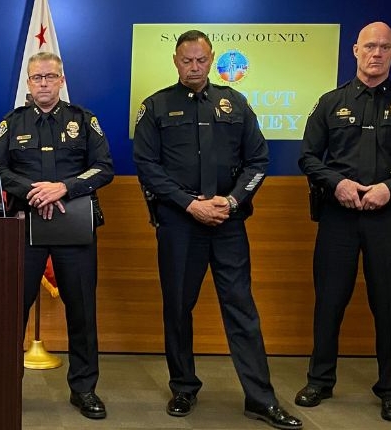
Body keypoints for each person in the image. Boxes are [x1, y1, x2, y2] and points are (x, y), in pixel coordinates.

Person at [132, 29, 302, 429]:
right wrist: (190, 203)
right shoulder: (156, 106)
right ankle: (184, 387)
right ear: (175, 61)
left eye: (201, 60)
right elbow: (147, 166)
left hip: (227, 222)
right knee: (177, 308)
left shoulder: (236, 103)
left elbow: (258, 160)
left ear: (212, 60)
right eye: (187, 60)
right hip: (179, 223)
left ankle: (260, 398)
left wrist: (229, 201)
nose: (194, 67)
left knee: (242, 309)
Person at [295, 22, 391, 423]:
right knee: (329, 301)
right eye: (370, 46)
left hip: (388, 218)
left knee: (389, 305)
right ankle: (320, 381)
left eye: (384, 47)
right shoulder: (330, 102)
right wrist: (337, 182)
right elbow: (308, 157)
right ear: (355, 51)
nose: (376, 54)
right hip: (338, 217)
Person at [0, 51, 113, 420]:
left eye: (50, 77)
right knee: (13, 310)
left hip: (74, 225)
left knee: (82, 311)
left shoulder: (84, 121)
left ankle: (85, 389)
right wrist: (34, 191)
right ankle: (7, 384)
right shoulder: (12, 123)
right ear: (28, 82)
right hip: (24, 226)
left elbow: (104, 168)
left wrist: (63, 188)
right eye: (37, 77)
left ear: (61, 80)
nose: (43, 83)